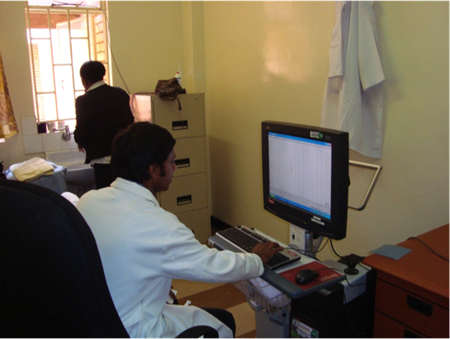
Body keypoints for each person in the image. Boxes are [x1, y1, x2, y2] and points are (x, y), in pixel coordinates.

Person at [76, 122, 283, 339]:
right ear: (154, 169)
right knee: (221, 328)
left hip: (100, 320)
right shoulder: (158, 225)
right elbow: (211, 266)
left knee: (219, 318)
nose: (174, 168)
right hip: (136, 330)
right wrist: (255, 259)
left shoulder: (88, 202)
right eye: (171, 162)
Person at [74, 60, 134, 188]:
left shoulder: (84, 101)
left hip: (102, 161)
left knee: (107, 197)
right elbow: (130, 121)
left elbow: (81, 131)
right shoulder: (120, 93)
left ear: (84, 80)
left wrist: (80, 141)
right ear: (103, 75)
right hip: (124, 156)